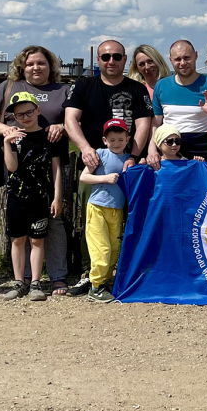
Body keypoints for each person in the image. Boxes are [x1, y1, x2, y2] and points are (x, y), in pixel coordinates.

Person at [66, 39, 153, 294]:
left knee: (127, 220)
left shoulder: (136, 89)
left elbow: (144, 123)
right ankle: (89, 272)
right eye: (105, 57)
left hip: (126, 164)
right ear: (98, 61)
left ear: (125, 59)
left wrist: (133, 157)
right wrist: (85, 148)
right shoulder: (84, 85)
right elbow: (70, 118)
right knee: (92, 222)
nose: (111, 61)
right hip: (94, 164)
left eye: (116, 57)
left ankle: (121, 272)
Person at [0, 45, 70, 295]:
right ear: (22, 66)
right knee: (19, 230)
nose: (36, 68)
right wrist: (7, 132)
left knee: (53, 223)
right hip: (17, 162)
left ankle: (56, 276)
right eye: (30, 63)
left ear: (50, 66)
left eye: (41, 63)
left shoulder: (62, 90)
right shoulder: (9, 86)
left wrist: (62, 126)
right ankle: (25, 278)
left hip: (48, 158)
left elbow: (77, 118)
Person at [1, 92, 64, 302]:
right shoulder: (14, 137)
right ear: (14, 117)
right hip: (16, 197)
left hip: (40, 197)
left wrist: (57, 197)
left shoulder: (49, 137)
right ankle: (19, 281)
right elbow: (11, 167)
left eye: (29, 112)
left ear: (38, 110)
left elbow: (56, 170)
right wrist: (7, 144)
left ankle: (36, 282)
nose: (25, 117)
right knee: (17, 240)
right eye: (19, 115)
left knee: (38, 240)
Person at [149, 40, 207, 163]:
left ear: (196, 56)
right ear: (170, 60)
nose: (183, 63)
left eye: (187, 58)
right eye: (178, 59)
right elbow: (155, 123)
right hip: (170, 153)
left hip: (202, 154)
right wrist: (152, 150)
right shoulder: (161, 86)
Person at [79, 118, 131, 303]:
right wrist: (105, 178)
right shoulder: (99, 154)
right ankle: (95, 286)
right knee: (101, 248)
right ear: (104, 140)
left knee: (114, 248)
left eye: (120, 139)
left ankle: (104, 282)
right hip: (97, 207)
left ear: (127, 139)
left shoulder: (129, 159)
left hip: (116, 210)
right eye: (112, 140)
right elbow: (84, 177)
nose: (116, 143)